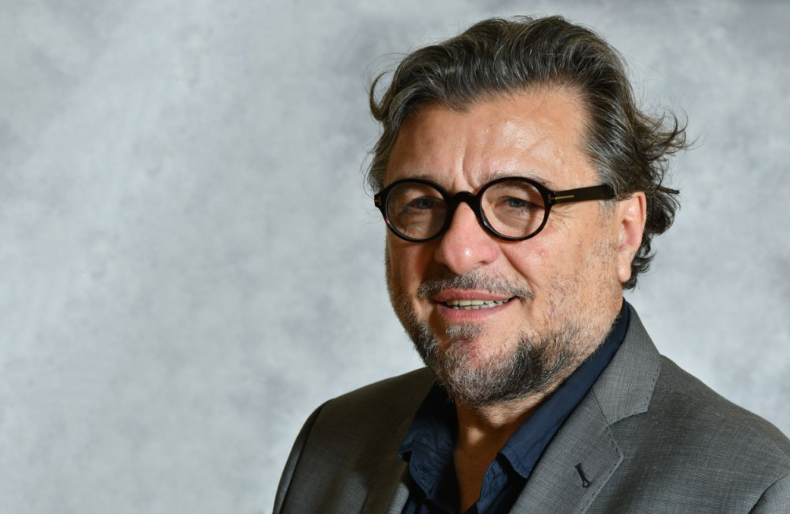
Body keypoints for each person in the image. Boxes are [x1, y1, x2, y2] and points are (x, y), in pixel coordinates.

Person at [273, 15, 790, 513]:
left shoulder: (755, 494)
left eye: (518, 202)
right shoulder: (330, 442)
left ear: (624, 232)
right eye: (423, 202)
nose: (457, 251)